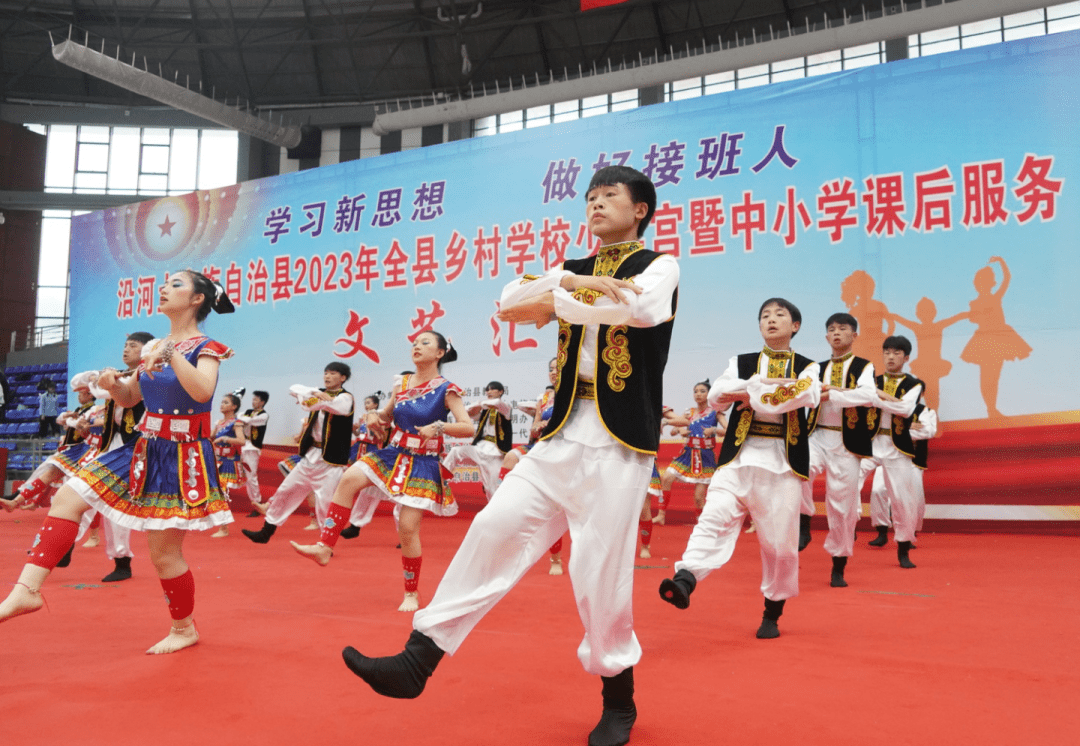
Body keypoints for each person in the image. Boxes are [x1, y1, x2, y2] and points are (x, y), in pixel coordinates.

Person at [337, 165, 677, 746]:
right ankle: (418, 661)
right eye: (590, 197)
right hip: (561, 434)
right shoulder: (572, 267)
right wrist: (576, 288)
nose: (595, 205)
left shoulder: (659, 265)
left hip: (618, 440)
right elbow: (510, 302)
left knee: (597, 571)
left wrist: (560, 297)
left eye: (609, 197)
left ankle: (617, 694)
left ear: (640, 209)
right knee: (493, 528)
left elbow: (642, 310)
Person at [0, 270, 235, 654]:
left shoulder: (206, 347)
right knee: (67, 498)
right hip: (142, 446)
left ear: (197, 300)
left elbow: (202, 390)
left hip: (181, 454)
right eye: (165, 283)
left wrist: (171, 354)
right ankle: (26, 590)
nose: (164, 288)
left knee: (164, 556)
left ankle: (184, 628)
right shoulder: (156, 347)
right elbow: (130, 398)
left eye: (176, 285)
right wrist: (114, 386)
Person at [659, 298, 820, 640]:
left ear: (795, 326)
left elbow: (800, 396)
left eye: (780, 315)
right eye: (765, 316)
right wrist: (755, 387)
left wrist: (751, 391)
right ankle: (685, 578)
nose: (771, 320)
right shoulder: (742, 361)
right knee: (713, 517)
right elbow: (717, 395)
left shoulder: (808, 367)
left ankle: (772, 610)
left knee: (780, 548)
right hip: (738, 458)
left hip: (782, 463)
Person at [290, 333, 473, 613]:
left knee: (408, 529)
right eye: (415, 342)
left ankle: (411, 592)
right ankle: (324, 547)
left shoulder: (446, 389)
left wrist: (439, 427)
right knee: (350, 478)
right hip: (393, 453)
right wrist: (376, 417)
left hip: (423, 462)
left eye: (425, 343)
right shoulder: (401, 383)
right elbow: (388, 416)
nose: (416, 346)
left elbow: (467, 427)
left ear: (439, 353)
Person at [803, 313, 877, 587]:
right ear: (826, 337)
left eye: (842, 329)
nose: (836, 333)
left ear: (854, 335)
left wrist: (833, 392)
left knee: (842, 506)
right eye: (831, 330)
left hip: (847, 443)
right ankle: (803, 520)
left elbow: (868, 396)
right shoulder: (814, 368)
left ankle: (839, 562)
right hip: (816, 435)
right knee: (799, 470)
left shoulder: (863, 367)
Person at [242, 363, 354, 544]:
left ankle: (326, 544)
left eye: (333, 374)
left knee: (326, 504)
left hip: (330, 461)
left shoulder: (345, 398)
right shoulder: (318, 392)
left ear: (342, 378)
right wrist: (314, 391)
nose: (327, 376)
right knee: (286, 491)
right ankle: (265, 532)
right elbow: (293, 389)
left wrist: (314, 396)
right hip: (310, 456)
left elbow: (321, 405)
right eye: (325, 373)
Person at [864, 335, 926, 568]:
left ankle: (903, 548)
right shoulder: (872, 380)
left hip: (897, 445)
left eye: (897, 353)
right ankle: (848, 531)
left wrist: (876, 397)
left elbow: (905, 408)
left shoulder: (915, 384)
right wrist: (877, 396)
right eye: (887, 352)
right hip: (869, 443)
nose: (891, 357)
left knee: (902, 500)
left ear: (906, 357)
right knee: (846, 484)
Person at [960, 256, 1031, 418]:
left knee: (993, 376)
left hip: (998, 340)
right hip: (985, 341)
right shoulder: (975, 303)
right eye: (981, 281)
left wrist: (1001, 261)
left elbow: (1007, 278)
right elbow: (973, 319)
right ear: (977, 284)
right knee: (986, 377)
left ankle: (992, 409)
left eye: (987, 280)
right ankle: (991, 409)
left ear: (991, 283)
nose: (984, 284)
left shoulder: (995, 297)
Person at [863, 405, 937, 546]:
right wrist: (909, 428)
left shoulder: (925, 411)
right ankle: (882, 530)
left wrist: (900, 431)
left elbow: (929, 431)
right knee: (877, 490)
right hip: (889, 456)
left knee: (913, 498)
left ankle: (909, 534)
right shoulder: (890, 409)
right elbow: (882, 431)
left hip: (912, 460)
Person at [655, 382, 725, 522]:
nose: (698, 394)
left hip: (705, 457)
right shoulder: (690, 412)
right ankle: (661, 515)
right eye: (696, 391)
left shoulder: (716, 413)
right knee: (666, 478)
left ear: (709, 394)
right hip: (686, 454)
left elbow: (729, 431)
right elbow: (677, 427)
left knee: (699, 497)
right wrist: (674, 427)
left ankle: (702, 523)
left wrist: (715, 430)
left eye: (702, 391)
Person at [442, 382, 513, 501]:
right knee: (456, 451)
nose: (488, 392)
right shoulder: (485, 411)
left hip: (496, 453)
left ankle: (495, 514)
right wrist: (474, 408)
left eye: (492, 389)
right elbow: (468, 413)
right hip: (480, 447)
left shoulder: (506, 408)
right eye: (487, 390)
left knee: (492, 489)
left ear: (500, 392)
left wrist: (480, 404)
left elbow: (497, 403)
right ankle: (441, 478)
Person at [209, 392, 246, 538]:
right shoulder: (219, 423)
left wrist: (226, 438)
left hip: (230, 462)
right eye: (222, 402)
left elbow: (242, 441)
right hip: (218, 462)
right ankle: (222, 526)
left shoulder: (236, 423)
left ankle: (223, 528)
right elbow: (210, 438)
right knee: (217, 493)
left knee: (221, 493)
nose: (222, 404)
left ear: (234, 406)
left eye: (226, 402)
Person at [237, 390, 270, 512]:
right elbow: (239, 418)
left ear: (262, 402)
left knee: (251, 476)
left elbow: (246, 420)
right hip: (241, 444)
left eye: (256, 400)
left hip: (252, 447)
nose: (253, 401)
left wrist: (242, 417)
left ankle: (257, 503)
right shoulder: (248, 412)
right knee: (234, 473)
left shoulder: (264, 415)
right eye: (253, 399)